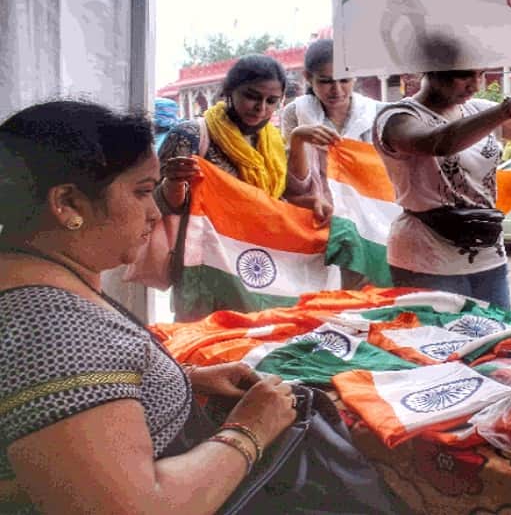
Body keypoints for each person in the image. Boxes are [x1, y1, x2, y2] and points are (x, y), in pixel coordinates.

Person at [0, 101, 296, 512]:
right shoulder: (53, 329)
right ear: (67, 203)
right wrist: (250, 430)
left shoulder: (32, 280)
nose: (155, 212)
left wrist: (184, 379)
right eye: (141, 191)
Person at [373, 68, 511, 309]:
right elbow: (439, 142)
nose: (474, 85)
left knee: (498, 339)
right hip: (426, 256)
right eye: (464, 75)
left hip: (488, 253)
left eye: (479, 75)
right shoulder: (397, 118)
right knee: (442, 341)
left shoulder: (478, 110)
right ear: (432, 69)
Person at [156, 54, 331, 319]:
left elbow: (271, 201)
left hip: (257, 263)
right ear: (229, 91)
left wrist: (311, 204)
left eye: (271, 101)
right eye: (252, 96)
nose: (261, 108)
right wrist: (175, 181)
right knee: (206, 342)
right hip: (206, 265)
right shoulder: (192, 135)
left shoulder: (270, 141)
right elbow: (156, 204)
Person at [280, 38, 382, 289]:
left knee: (368, 295)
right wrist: (299, 139)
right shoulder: (296, 113)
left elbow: (384, 174)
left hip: (369, 220)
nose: (336, 89)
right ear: (308, 78)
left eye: (344, 80)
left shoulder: (376, 113)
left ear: (355, 77)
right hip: (318, 218)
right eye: (325, 81)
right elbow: (296, 184)